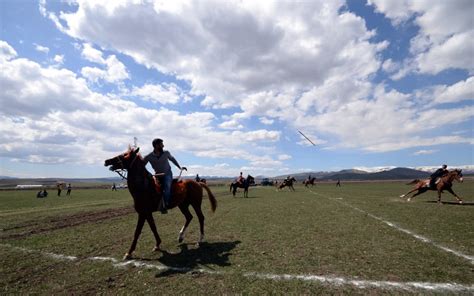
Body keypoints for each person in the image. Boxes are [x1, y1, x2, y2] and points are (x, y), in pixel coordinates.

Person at [144, 138, 187, 214]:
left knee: (167, 186)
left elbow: (172, 159)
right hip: (157, 175)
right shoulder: (149, 156)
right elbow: (141, 165)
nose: (163, 146)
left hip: (167, 174)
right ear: (156, 146)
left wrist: (179, 167)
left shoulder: (166, 153)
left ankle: (165, 205)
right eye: (161, 144)